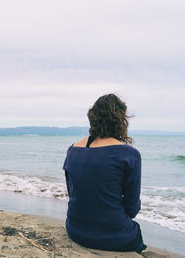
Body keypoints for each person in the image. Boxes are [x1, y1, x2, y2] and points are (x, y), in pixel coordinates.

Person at [63, 93, 147, 253]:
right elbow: (131, 208)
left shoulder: (72, 150)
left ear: (92, 118)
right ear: (121, 120)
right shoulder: (129, 154)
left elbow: (72, 193)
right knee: (135, 233)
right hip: (114, 236)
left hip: (75, 230)